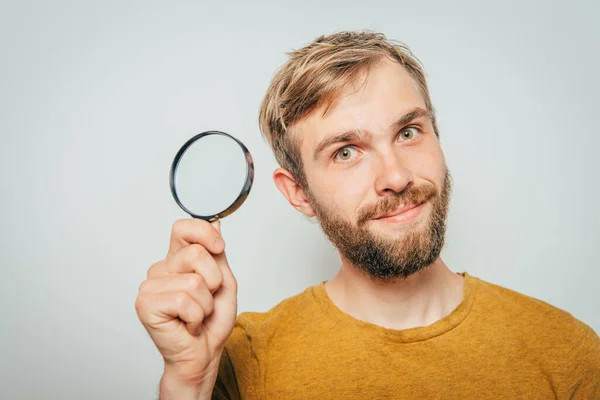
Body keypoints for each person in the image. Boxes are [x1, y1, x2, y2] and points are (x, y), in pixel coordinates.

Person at [135, 31, 600, 399]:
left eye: (408, 132)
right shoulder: (239, 361)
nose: (395, 177)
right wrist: (188, 383)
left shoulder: (566, 350)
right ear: (299, 194)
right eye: (345, 152)